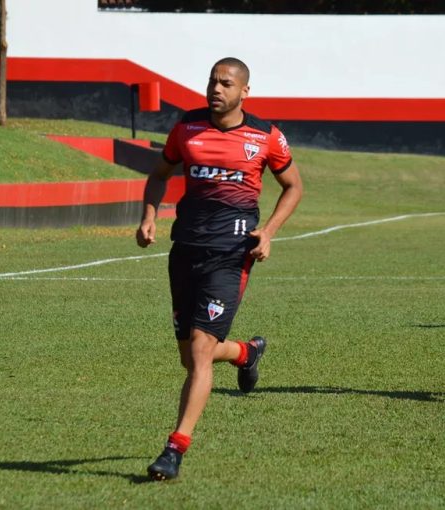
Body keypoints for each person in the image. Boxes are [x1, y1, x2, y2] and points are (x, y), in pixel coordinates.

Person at [136, 57, 303, 480]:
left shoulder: (266, 136)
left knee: (199, 350)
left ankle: (175, 449)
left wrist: (268, 232)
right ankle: (246, 353)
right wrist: (149, 215)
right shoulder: (186, 128)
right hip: (185, 250)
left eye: (226, 83)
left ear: (244, 91)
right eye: (213, 81)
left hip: (231, 254)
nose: (216, 89)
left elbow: (293, 186)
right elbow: (158, 174)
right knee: (191, 358)